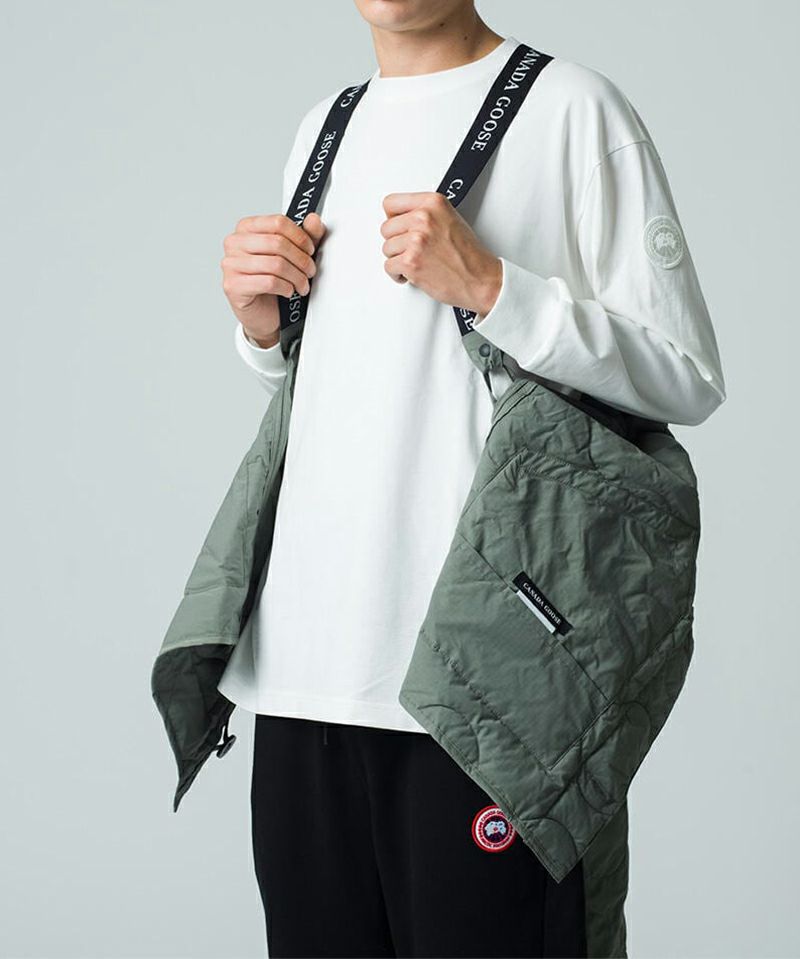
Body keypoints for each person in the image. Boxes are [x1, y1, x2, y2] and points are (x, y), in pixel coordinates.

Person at [215, 2, 726, 956]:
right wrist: (261, 329)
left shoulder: (575, 110)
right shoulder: (326, 125)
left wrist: (496, 288)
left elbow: (685, 374)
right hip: (304, 682)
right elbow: (351, 385)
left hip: (492, 687)